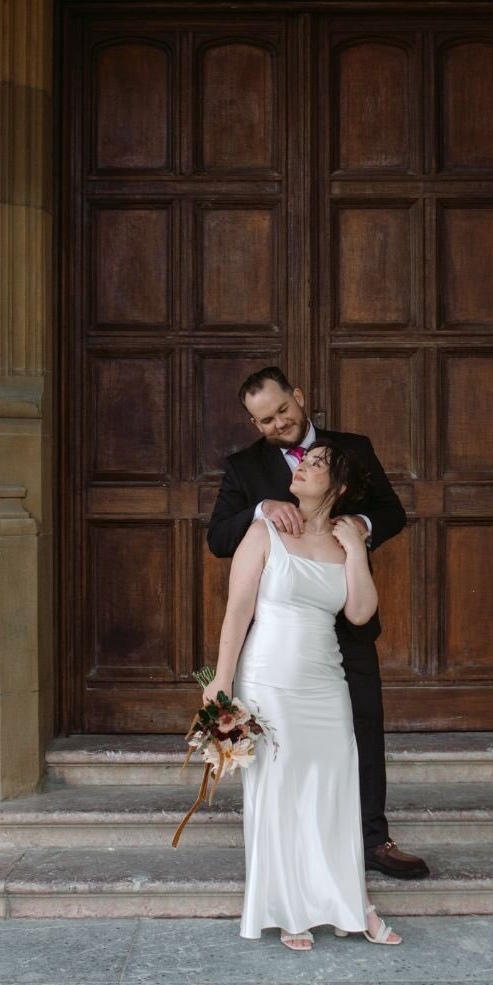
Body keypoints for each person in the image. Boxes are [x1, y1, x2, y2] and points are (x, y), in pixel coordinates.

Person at [207, 366, 429, 880]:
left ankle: (374, 840)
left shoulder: (350, 448)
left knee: (363, 726)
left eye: (283, 411)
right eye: (264, 421)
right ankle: (301, 849)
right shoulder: (244, 469)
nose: (278, 425)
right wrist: (260, 509)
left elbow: (391, 512)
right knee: (288, 745)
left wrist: (360, 526)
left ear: (299, 397)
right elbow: (218, 538)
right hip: (284, 635)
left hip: (344, 616)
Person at [203, 440, 401, 948]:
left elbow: (359, 614)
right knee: (281, 793)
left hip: (325, 683)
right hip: (269, 680)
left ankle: (348, 904)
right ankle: (288, 906)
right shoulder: (262, 530)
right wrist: (221, 682)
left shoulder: (345, 540)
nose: (302, 467)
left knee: (333, 792)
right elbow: (238, 610)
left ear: (337, 489)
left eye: (316, 465)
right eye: (303, 461)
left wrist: (357, 548)